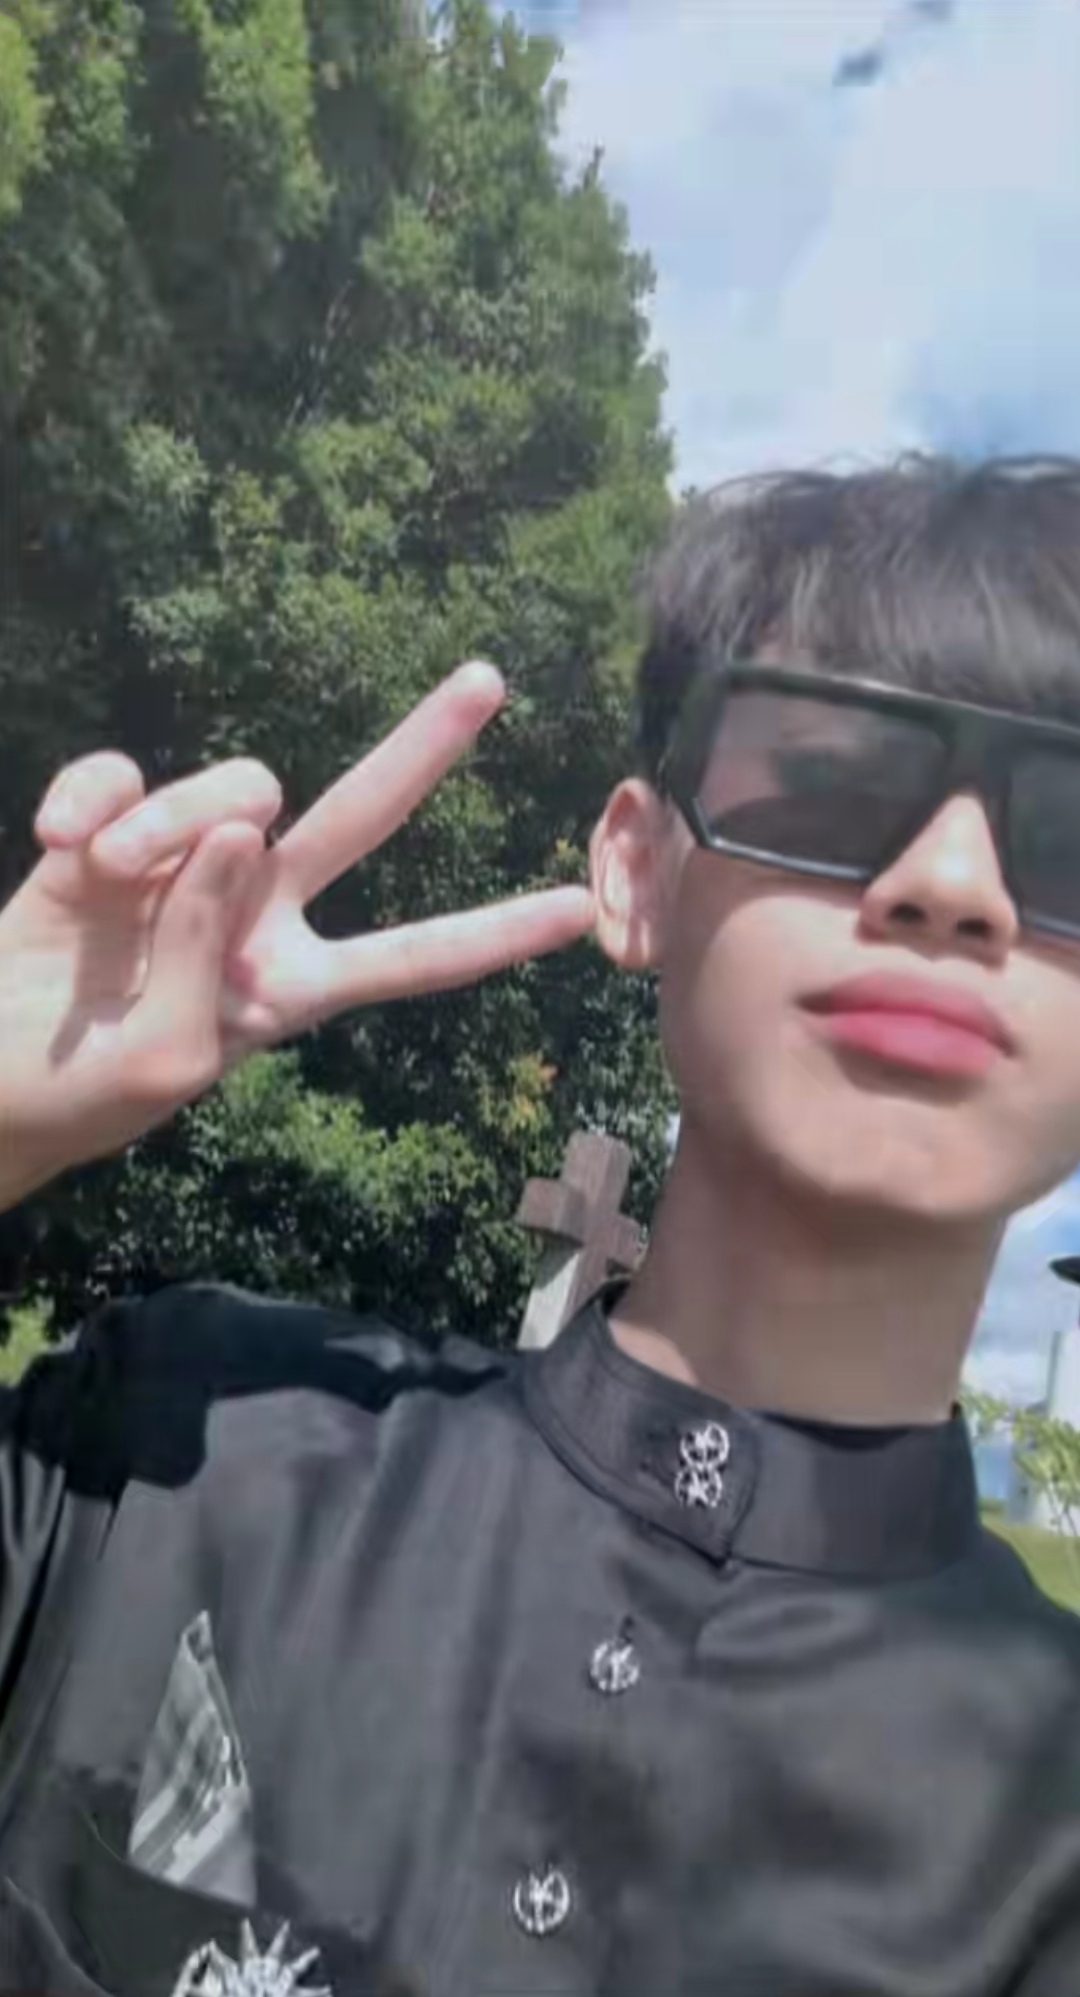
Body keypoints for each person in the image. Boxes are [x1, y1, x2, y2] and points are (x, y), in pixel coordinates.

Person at [1, 455, 1080, 1997]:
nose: (953, 884)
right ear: (635, 870)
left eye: (1070, 833)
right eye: (832, 782)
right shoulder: (181, 1442)